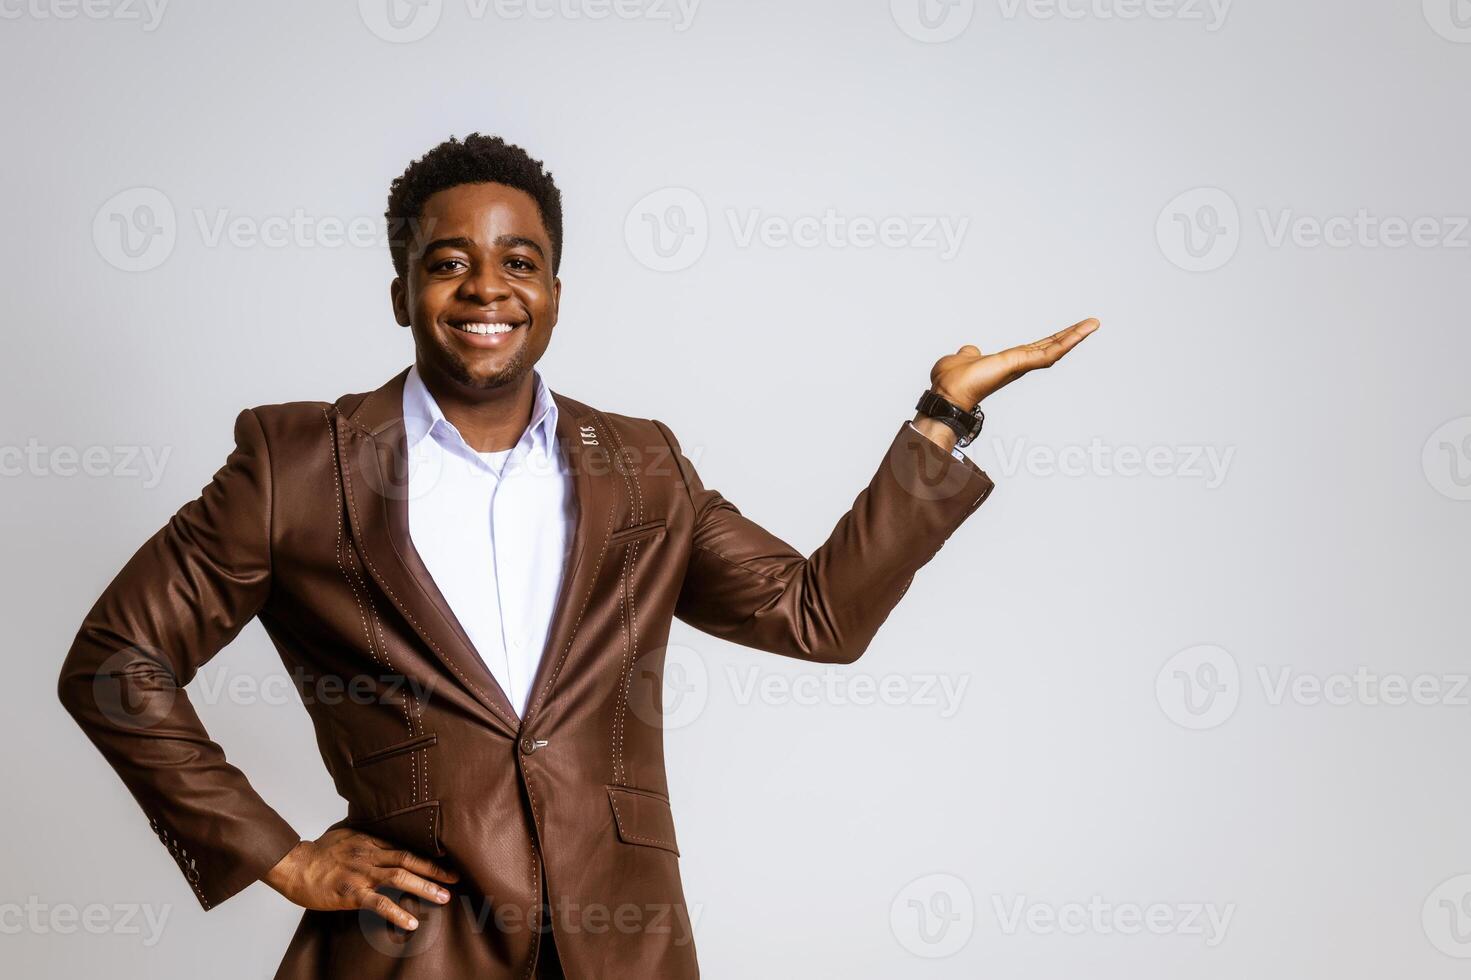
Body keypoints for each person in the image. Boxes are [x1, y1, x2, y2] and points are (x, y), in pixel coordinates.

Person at [58, 133, 1098, 978]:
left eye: (518, 262)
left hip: (626, 946)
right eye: (447, 261)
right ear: (400, 291)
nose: (485, 289)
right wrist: (280, 854)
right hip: (414, 950)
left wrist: (940, 419)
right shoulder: (298, 463)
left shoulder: (641, 467)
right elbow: (116, 658)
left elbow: (814, 614)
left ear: (556, 289)